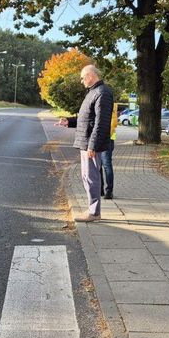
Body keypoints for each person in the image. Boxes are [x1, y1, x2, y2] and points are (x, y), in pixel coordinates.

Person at [56, 65, 114, 222]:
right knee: (87, 177)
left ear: (90, 75)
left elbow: (101, 124)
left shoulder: (102, 93)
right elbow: (87, 119)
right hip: (86, 142)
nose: (81, 81)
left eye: (83, 77)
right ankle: (92, 210)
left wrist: (92, 146)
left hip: (91, 144)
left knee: (91, 178)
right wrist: (68, 121)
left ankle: (94, 213)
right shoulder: (93, 92)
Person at [100, 102, 118, 199]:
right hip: (109, 138)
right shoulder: (113, 106)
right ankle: (105, 191)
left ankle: (106, 191)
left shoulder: (107, 106)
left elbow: (113, 124)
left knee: (105, 165)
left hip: (105, 138)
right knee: (103, 165)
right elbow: (114, 125)